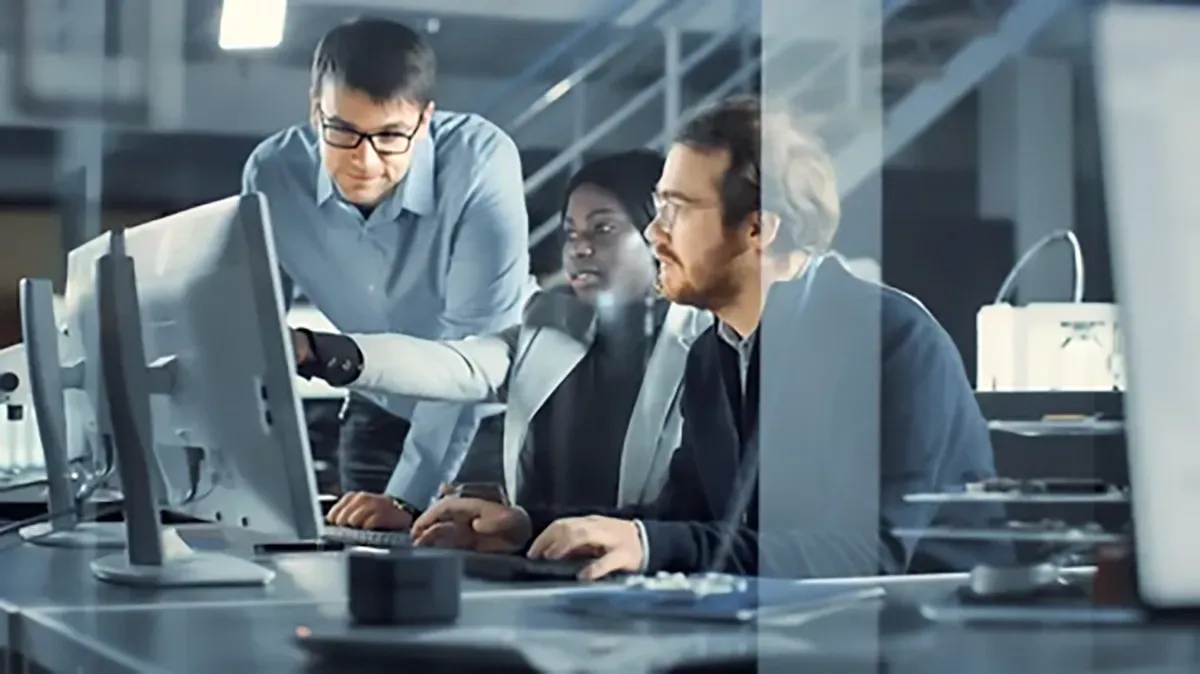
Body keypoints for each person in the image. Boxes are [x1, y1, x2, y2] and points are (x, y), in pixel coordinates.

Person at [409, 96, 1014, 580]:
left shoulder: (890, 341)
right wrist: (523, 527)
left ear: (757, 228)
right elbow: (684, 517)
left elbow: (870, 551)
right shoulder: (713, 351)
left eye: (675, 209)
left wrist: (653, 544)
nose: (652, 233)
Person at [295, 151, 712, 529]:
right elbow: (456, 365)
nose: (580, 248)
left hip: (651, 579)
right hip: (539, 570)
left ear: (659, 236)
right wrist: (321, 350)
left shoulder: (708, 347)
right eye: (570, 232)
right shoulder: (547, 326)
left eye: (602, 229)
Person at [241, 18, 529, 520]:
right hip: (376, 406)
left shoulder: (480, 162)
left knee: (462, 581)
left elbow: (468, 359)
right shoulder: (271, 173)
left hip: (487, 421)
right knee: (358, 571)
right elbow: (258, 333)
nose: (365, 161)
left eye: (391, 136)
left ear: (425, 120)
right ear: (316, 110)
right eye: (342, 131)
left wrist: (407, 498)